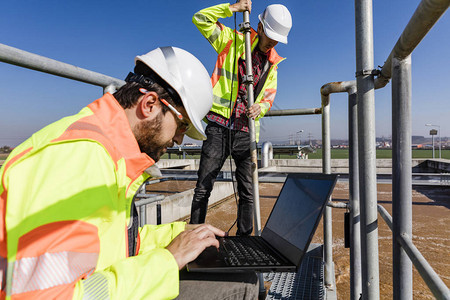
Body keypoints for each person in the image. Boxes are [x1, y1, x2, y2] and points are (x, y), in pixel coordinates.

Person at [0, 47, 257, 299]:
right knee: (243, 284)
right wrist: (168, 260)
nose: (179, 139)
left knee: (243, 277)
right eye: (182, 125)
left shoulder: (106, 153)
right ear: (150, 104)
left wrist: (180, 234)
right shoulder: (77, 159)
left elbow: (117, 244)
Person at [190, 0, 292, 235]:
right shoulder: (232, 40)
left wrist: (260, 108)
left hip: (245, 132)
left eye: (277, 39)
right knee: (203, 187)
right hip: (218, 125)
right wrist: (231, 9)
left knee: (247, 190)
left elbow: (268, 97)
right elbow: (200, 19)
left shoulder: (273, 64)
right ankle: (193, 238)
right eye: (271, 36)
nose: (273, 42)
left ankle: (245, 242)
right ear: (260, 26)